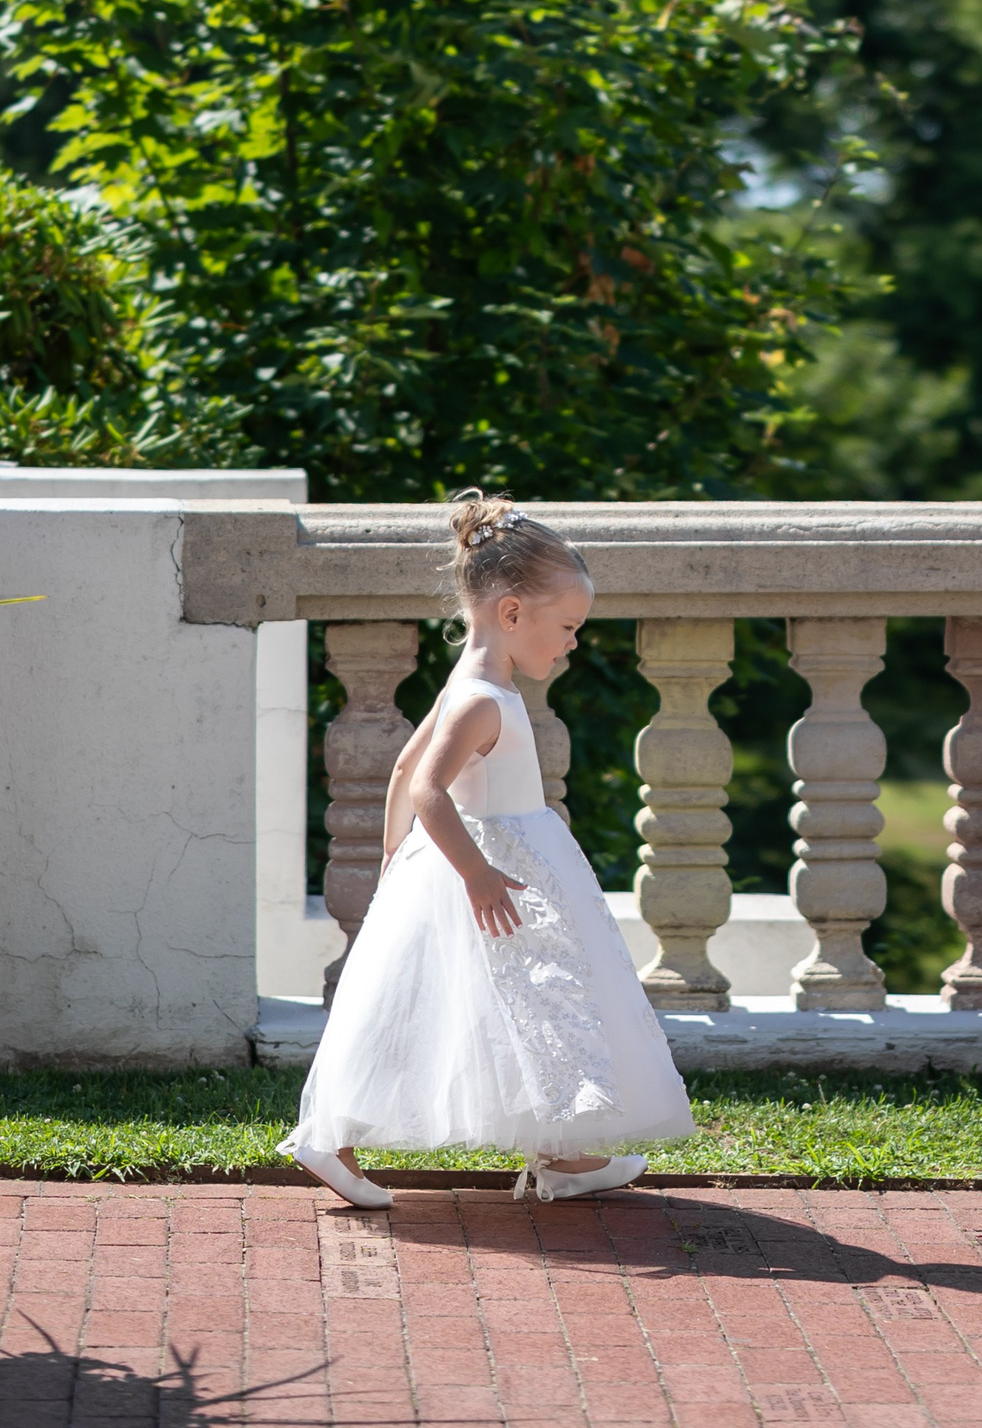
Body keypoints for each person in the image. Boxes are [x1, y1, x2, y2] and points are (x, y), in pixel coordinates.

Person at [281, 490, 696, 1209]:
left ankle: (566, 1153)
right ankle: (330, 1139)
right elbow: (428, 788)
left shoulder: (473, 685)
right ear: (511, 613)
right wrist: (474, 875)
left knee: (533, 1002)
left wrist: (395, 861)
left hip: (488, 865)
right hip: (492, 871)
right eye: (567, 627)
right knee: (477, 1005)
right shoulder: (481, 700)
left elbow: (405, 767)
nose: (572, 643)